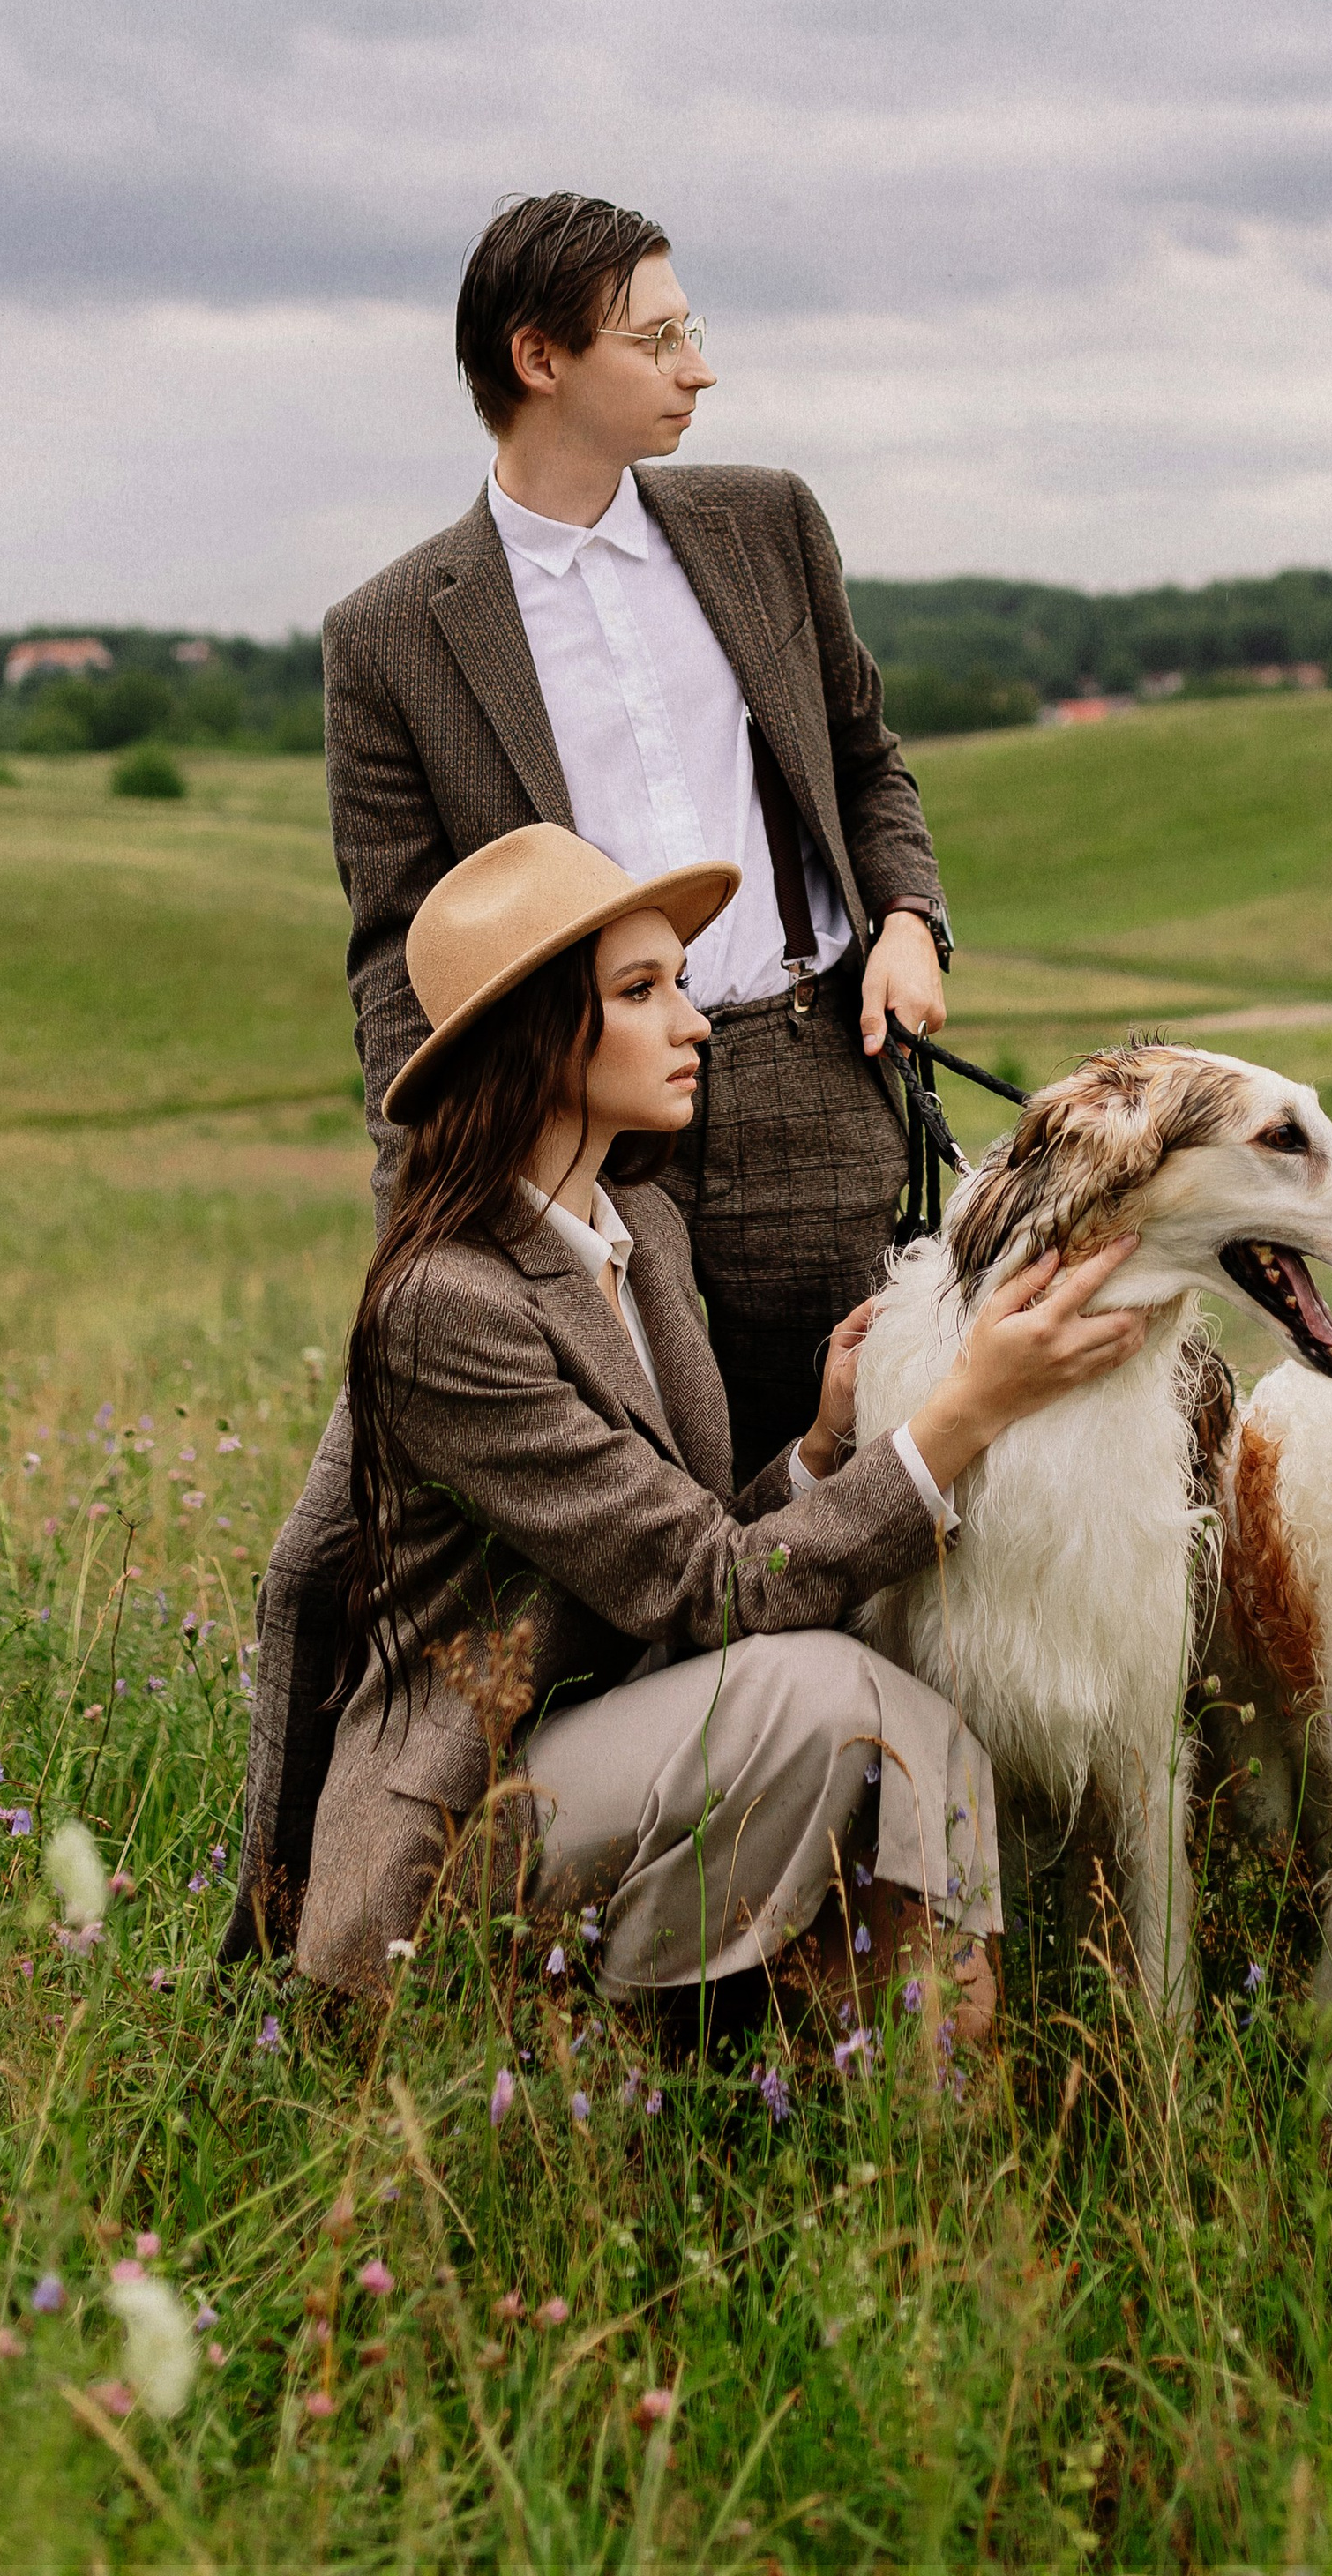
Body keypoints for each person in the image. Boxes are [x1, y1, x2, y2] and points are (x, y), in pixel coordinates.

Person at [228, 825, 1148, 2017]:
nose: (696, 1019)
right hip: (469, 1829)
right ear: (538, 1033)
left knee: (877, 1697)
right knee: (834, 1692)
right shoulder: (444, 1306)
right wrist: (971, 1407)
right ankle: (828, 2076)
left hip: (618, 1749)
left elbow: (682, 1540)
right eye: (642, 990)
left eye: (681, 982)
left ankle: (939, 2116)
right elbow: (710, 1587)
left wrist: (818, 1450)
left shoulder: (642, 1235)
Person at [323, 188, 954, 1478]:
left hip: (810, 1077)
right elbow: (400, 951)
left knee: (854, 1461)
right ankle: (693, 1697)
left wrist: (908, 918)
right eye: (656, 340)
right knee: (635, 1501)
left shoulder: (767, 521)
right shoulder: (389, 634)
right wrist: (427, 1204)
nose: (699, 367)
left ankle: (851, 1697)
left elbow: (862, 758)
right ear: (539, 359)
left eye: (692, 329)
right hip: (569, 1114)